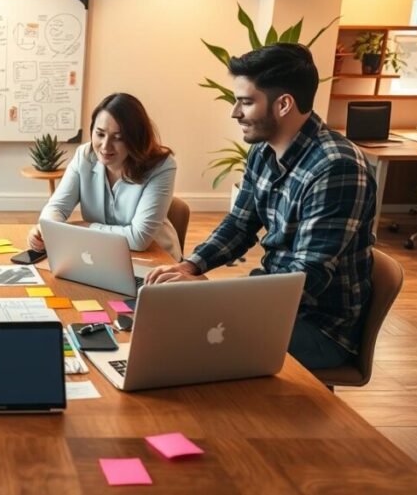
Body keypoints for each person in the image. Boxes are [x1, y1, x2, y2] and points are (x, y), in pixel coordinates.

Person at [145, 43, 376, 370]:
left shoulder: (337, 168)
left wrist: (211, 297)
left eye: (246, 102)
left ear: (283, 104)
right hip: (272, 303)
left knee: (185, 342)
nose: (234, 112)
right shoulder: (264, 152)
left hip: (318, 327)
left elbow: (305, 277)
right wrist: (190, 267)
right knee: (167, 318)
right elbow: (239, 225)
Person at [27, 93, 181, 260]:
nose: (105, 146)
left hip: (157, 262)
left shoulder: (162, 166)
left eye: (119, 138)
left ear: (136, 139)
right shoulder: (84, 156)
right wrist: (46, 229)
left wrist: (84, 228)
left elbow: (138, 239)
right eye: (100, 134)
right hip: (103, 256)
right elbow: (56, 207)